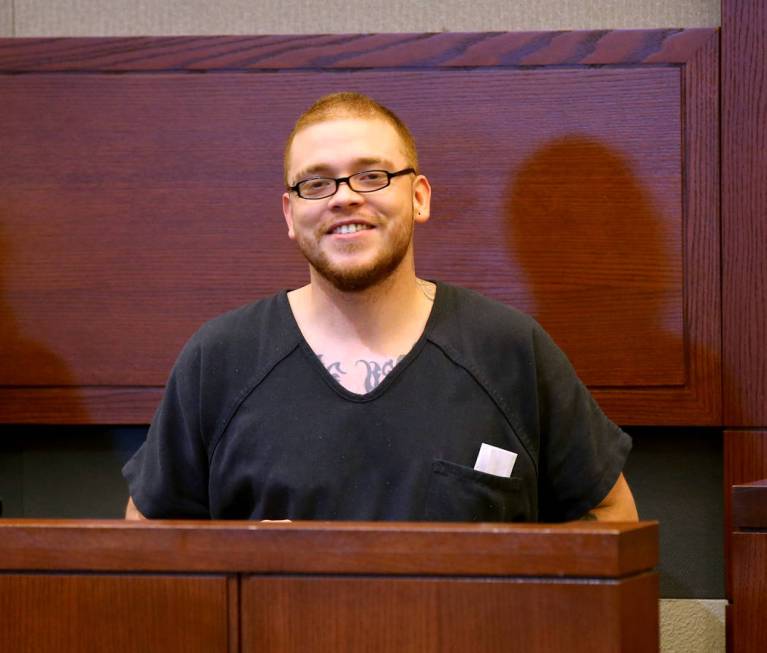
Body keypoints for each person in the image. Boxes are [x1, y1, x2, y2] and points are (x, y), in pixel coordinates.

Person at [123, 92, 637, 523]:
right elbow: (150, 544)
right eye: (316, 183)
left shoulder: (509, 350)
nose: (344, 198)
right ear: (290, 212)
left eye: (372, 176)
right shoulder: (219, 361)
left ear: (419, 197)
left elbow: (608, 519)